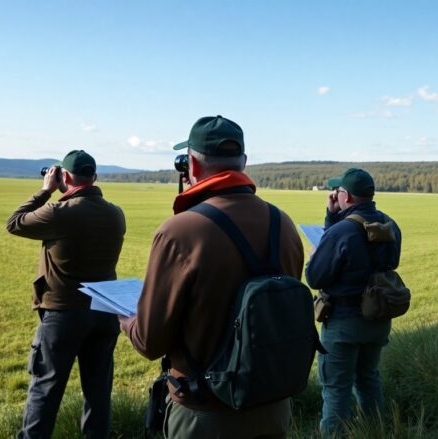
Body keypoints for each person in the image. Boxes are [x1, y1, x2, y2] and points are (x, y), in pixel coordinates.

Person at [120, 115, 304, 438]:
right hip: (273, 407)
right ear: (243, 162)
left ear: (190, 164)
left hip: (204, 414)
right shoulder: (284, 224)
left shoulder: (179, 232)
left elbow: (149, 342)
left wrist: (124, 318)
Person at [6, 150, 126, 439]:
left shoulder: (59, 213)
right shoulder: (115, 213)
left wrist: (46, 190)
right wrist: (65, 190)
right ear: (94, 176)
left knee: (46, 388)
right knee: (98, 389)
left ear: (65, 176)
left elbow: (15, 222)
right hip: (105, 311)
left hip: (63, 314)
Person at [305, 168, 402, 436]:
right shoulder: (390, 224)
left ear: (346, 196)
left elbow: (315, 277)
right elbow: (391, 262)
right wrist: (333, 216)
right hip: (378, 317)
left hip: (343, 323)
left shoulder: (341, 232)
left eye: (338, 191)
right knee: (369, 379)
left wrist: (314, 256)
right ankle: (375, 432)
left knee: (336, 388)